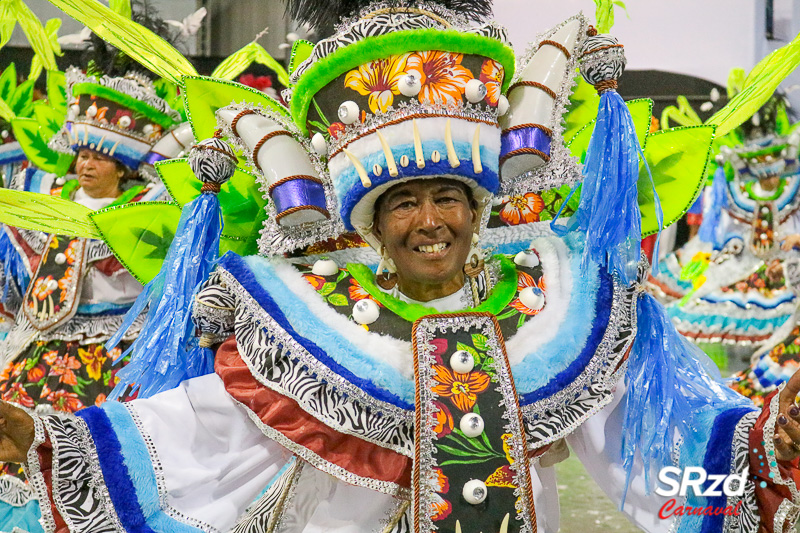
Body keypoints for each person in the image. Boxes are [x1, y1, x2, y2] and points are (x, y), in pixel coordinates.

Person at [0, 2, 799, 532]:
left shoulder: (551, 310)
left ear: (478, 204)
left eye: (447, 195)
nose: (429, 221)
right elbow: (200, 432)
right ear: (371, 221)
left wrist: (766, 444)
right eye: (402, 201)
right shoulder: (306, 315)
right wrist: (48, 437)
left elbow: (652, 449)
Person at [0, 68, 185, 533]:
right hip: (45, 345)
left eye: (98, 159)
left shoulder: (149, 210)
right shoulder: (46, 198)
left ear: (121, 167)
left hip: (117, 351)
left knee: (110, 446)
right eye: (81, 155)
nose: (86, 165)